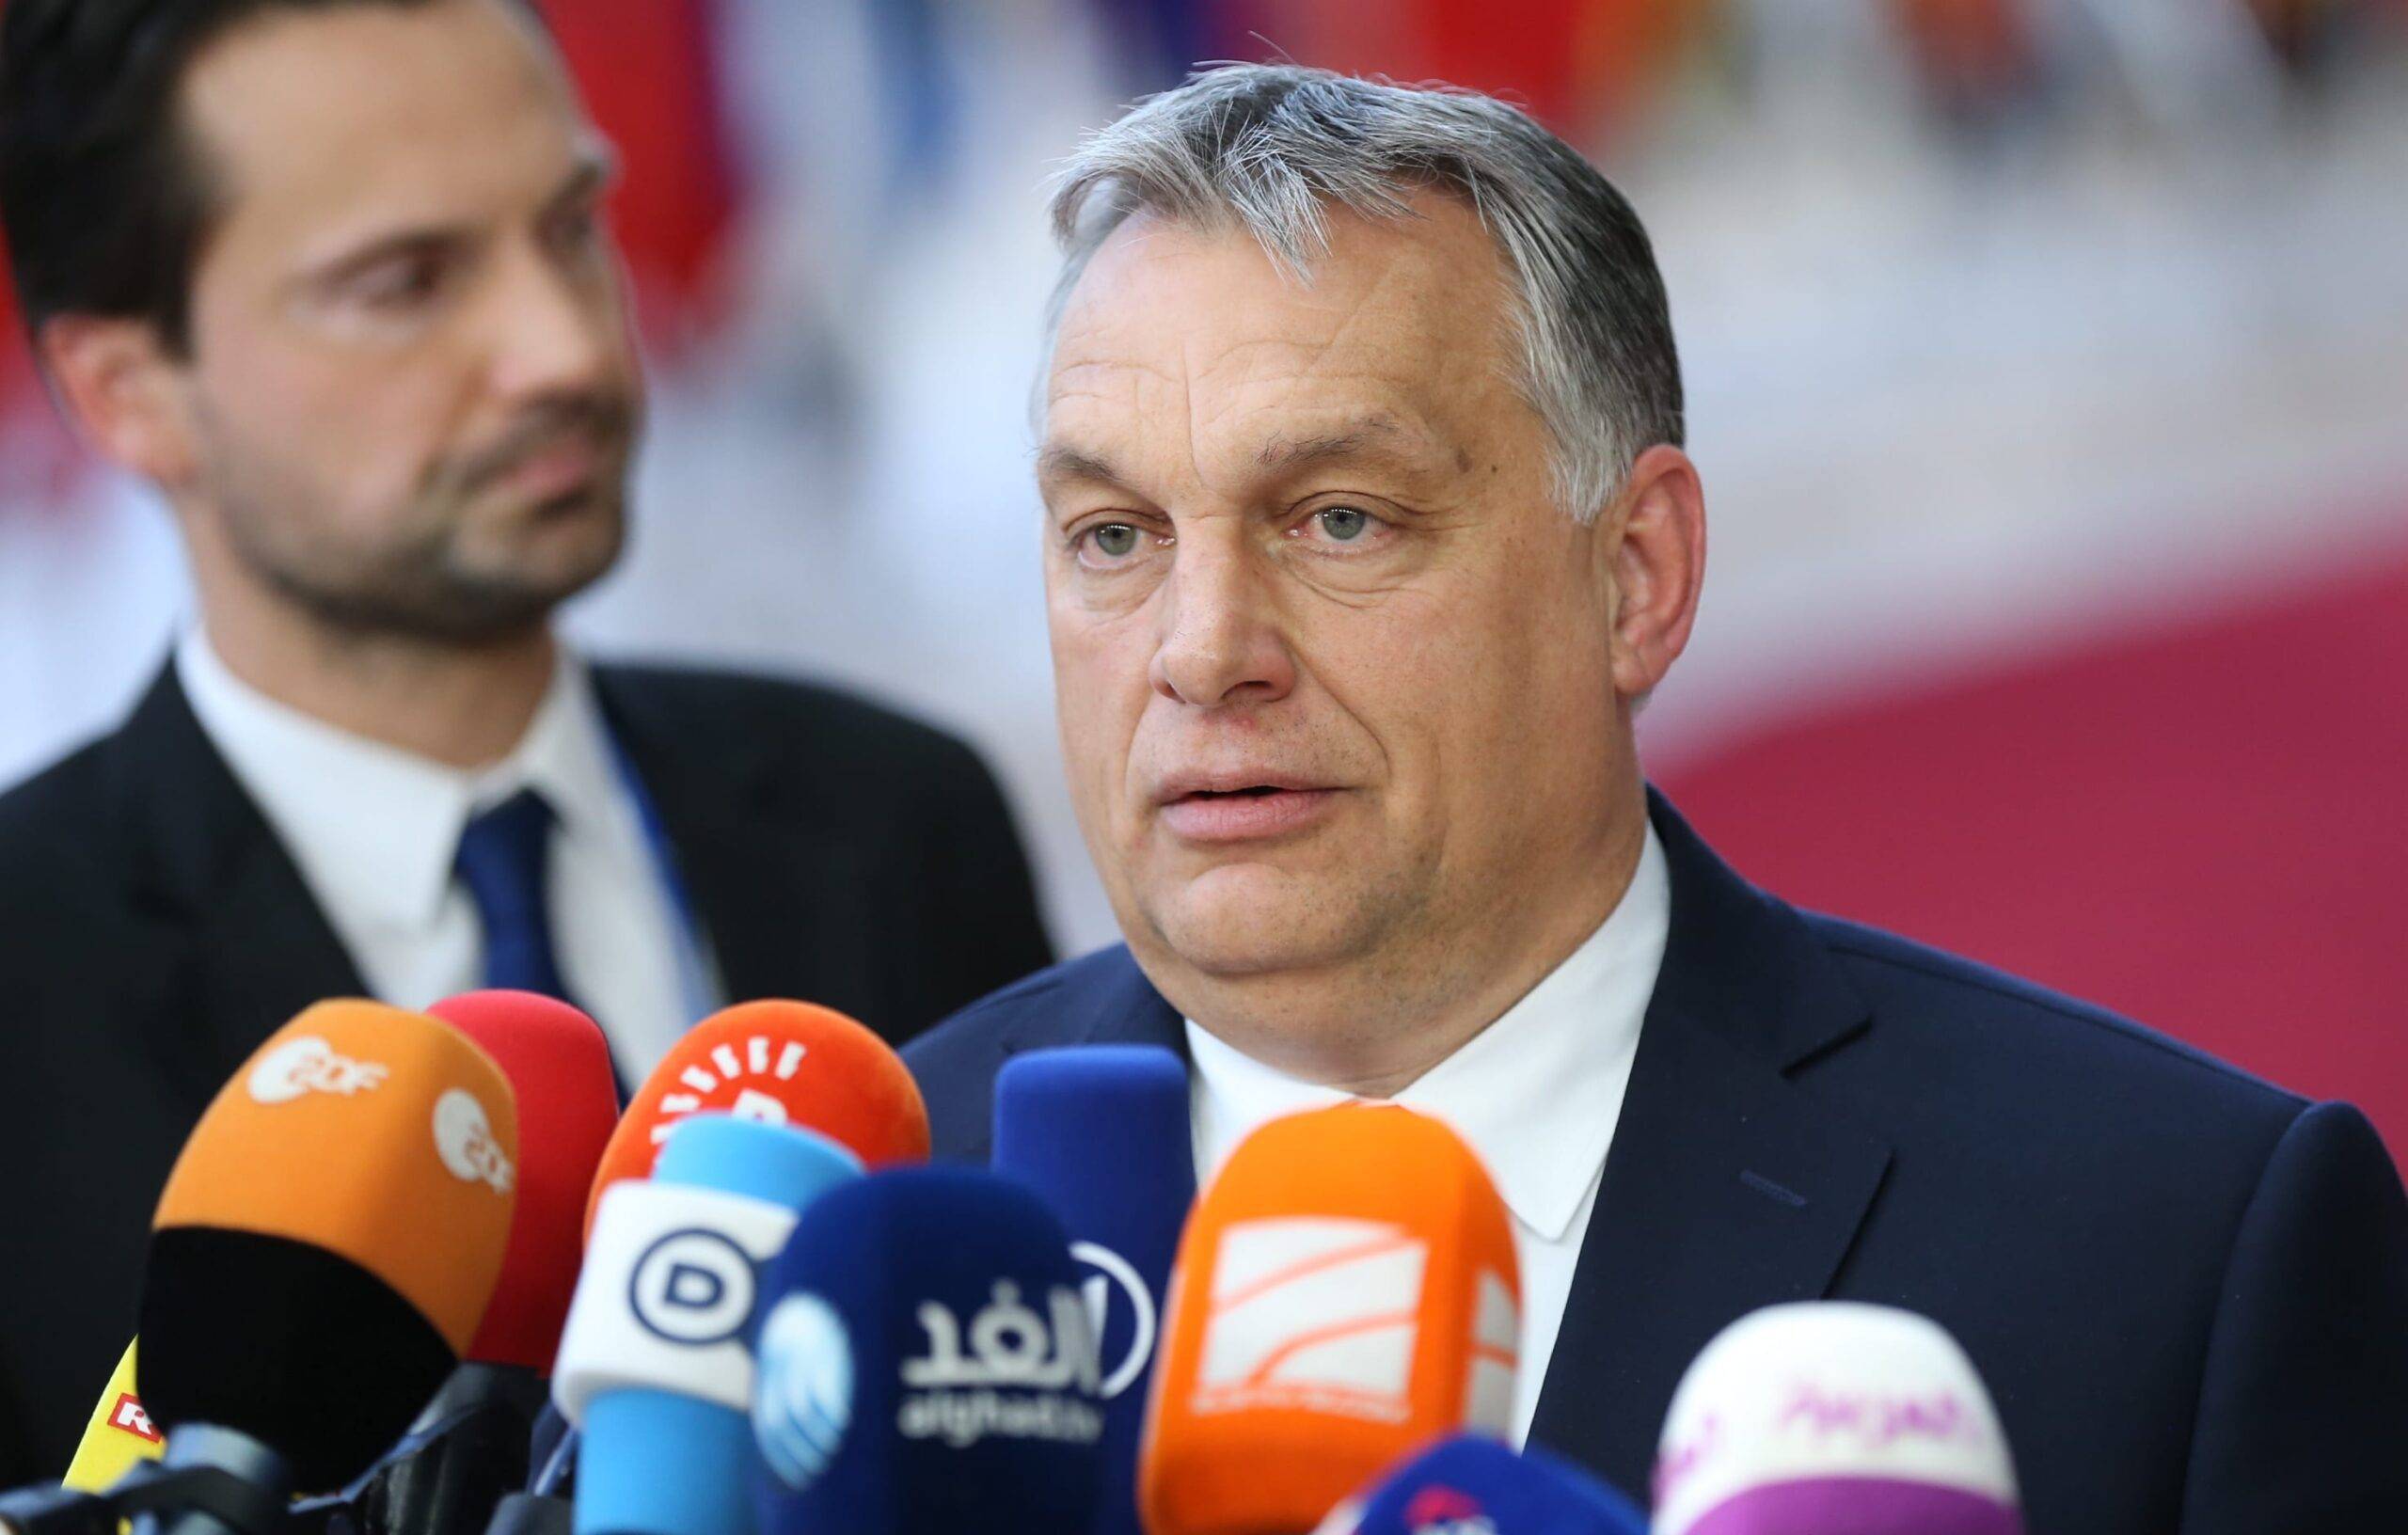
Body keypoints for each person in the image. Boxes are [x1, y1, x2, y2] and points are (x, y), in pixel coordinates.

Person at [905, 64, 2408, 1534]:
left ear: (1636, 578)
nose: (1201, 650)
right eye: (1112, 536)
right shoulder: (866, 1217)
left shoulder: (2178, 1260)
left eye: (1339, 517)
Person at [0, 0, 1051, 1479]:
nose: (561, 346)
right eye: (407, 283)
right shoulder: (24, 969)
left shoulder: (897, 819)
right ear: (129, 392)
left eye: (570, 229)